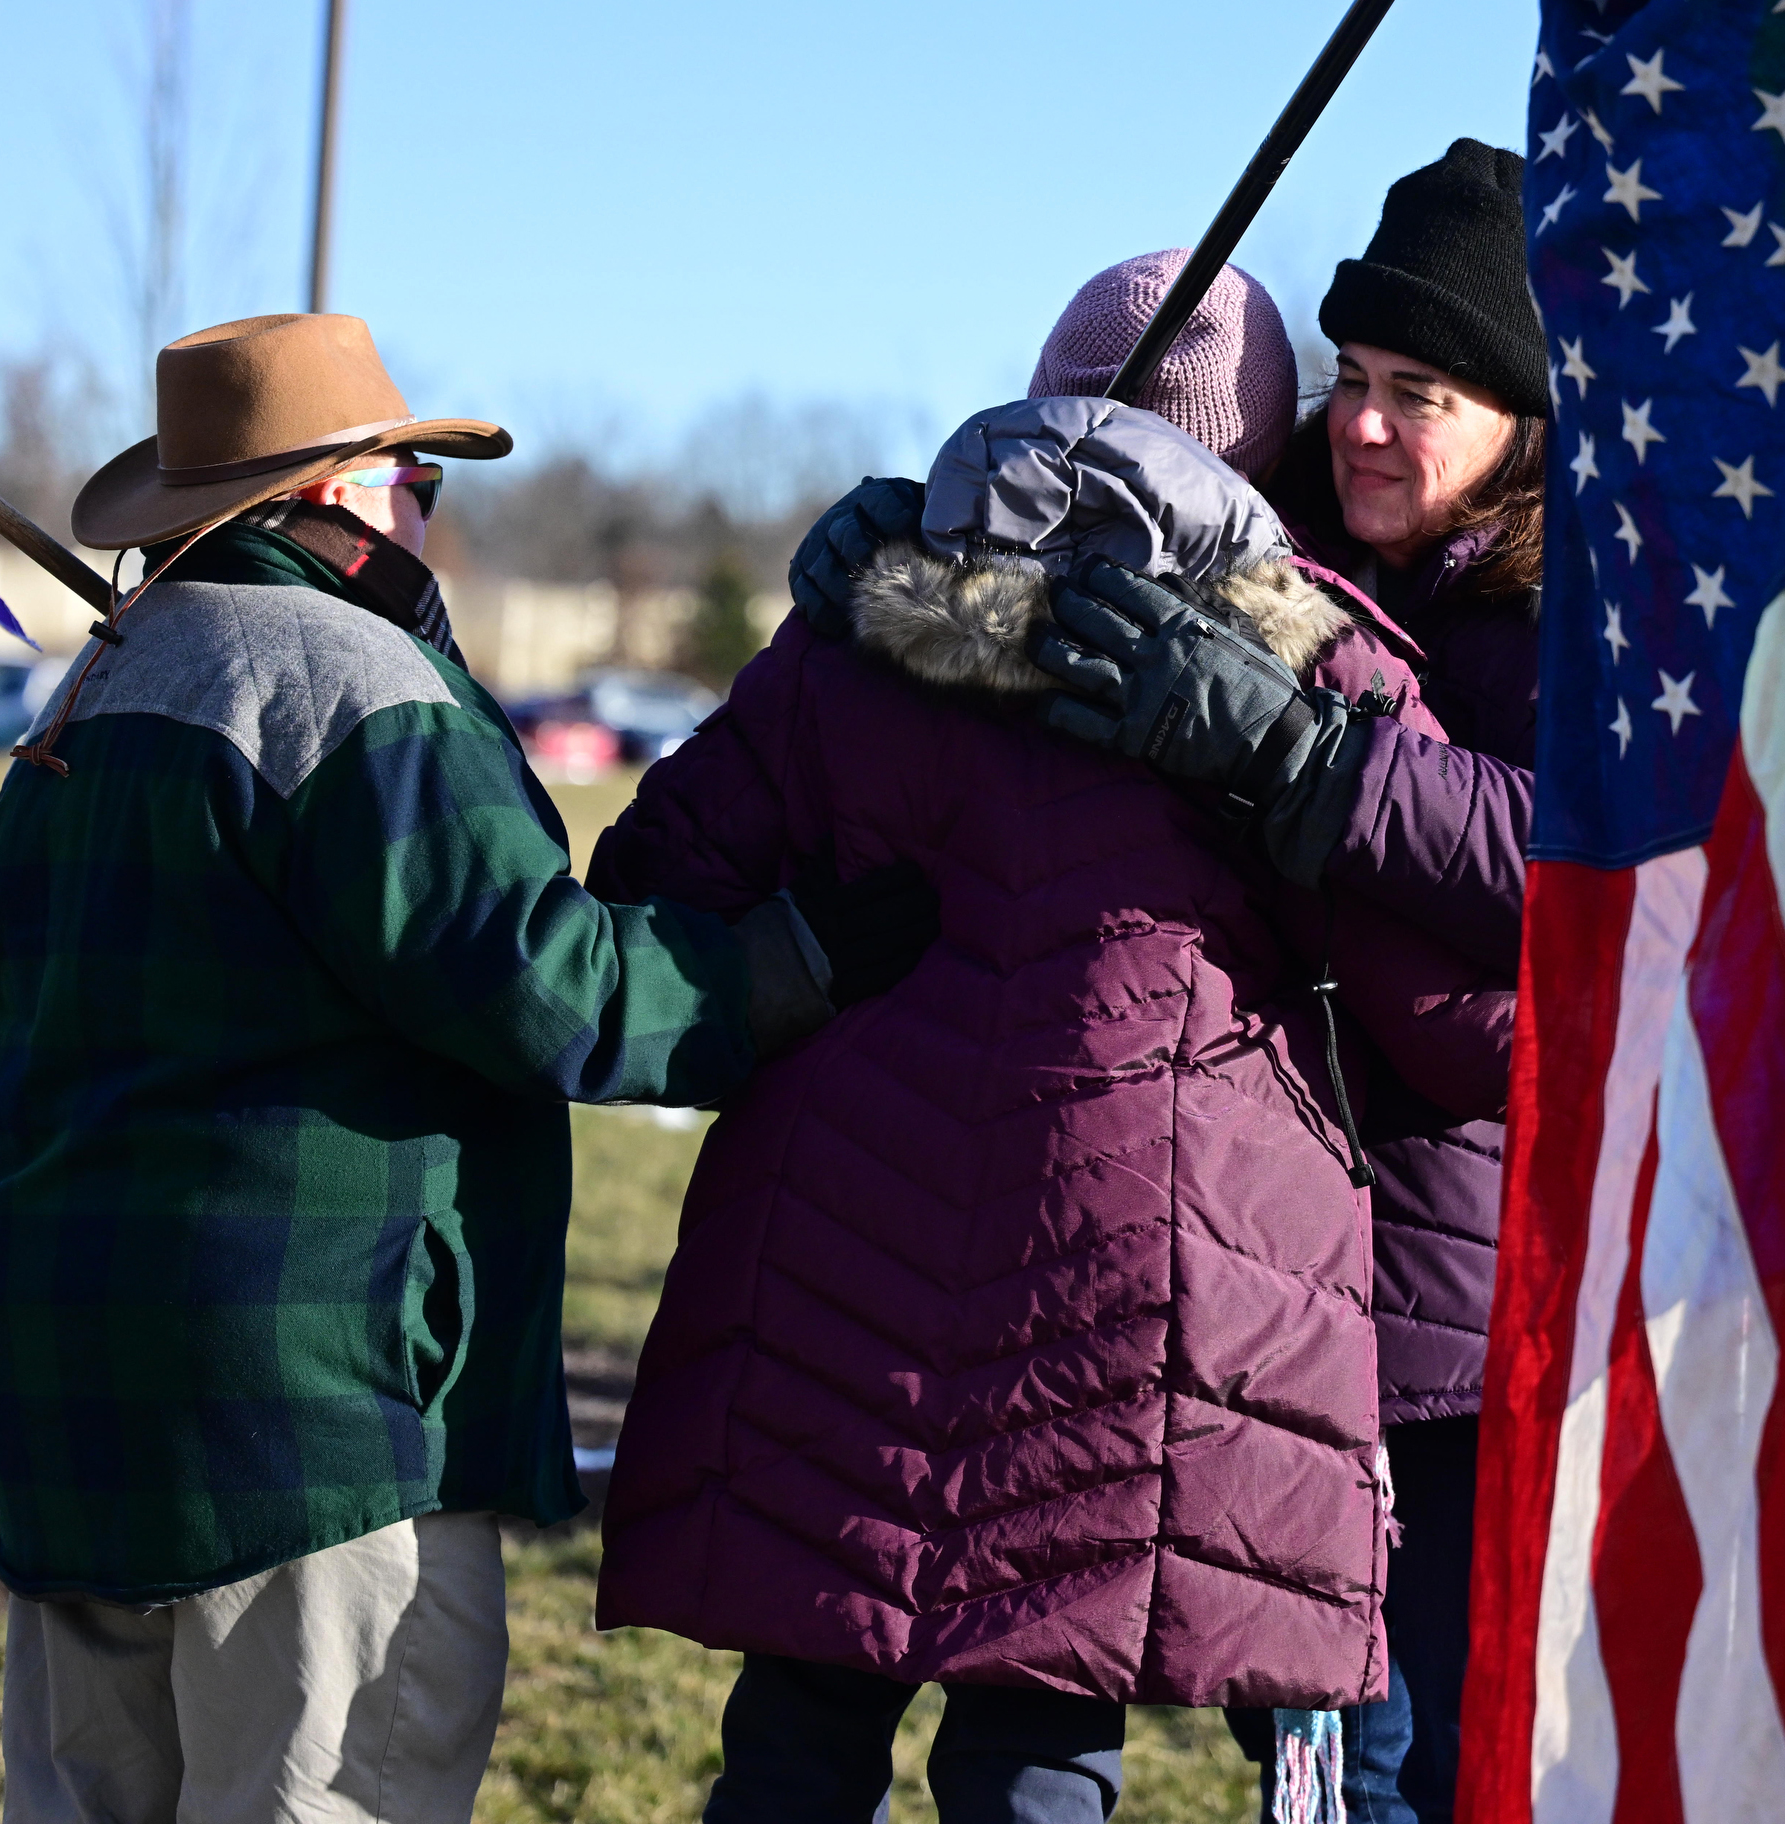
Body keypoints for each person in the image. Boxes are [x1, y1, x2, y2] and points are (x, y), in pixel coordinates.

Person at [0, 311, 935, 1824]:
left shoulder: (90, 694)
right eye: (416, 478)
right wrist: (788, 961)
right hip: (312, 1419)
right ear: (342, 488)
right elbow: (549, 988)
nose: (425, 510)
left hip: (68, 1396)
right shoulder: (351, 682)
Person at [589, 385, 1509, 1822]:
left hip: (837, 1260)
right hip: (1121, 1294)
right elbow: (1458, 1017)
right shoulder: (1305, 660)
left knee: (796, 1732)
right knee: (1036, 1753)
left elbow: (650, 882)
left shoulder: (860, 622)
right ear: (1255, 448)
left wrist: (812, 945)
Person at [1030, 143, 1549, 1824]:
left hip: (1452, 1311)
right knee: (1312, 1768)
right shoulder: (1298, 562)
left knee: (1430, 1753)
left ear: (1519, 428)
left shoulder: (1568, 617)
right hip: (1280, 1289)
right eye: (1353, 381)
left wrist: (1319, 766)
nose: (1370, 425)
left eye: (1427, 396)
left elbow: (1568, 869)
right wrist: (899, 538)